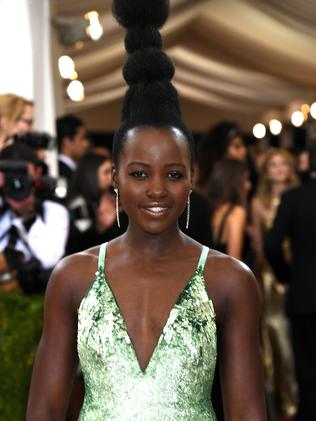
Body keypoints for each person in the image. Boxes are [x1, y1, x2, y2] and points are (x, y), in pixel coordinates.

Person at [27, 1, 266, 419]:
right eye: (139, 174)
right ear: (114, 177)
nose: (157, 190)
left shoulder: (229, 280)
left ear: (192, 178)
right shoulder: (72, 278)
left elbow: (248, 413)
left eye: (173, 175)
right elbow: (43, 411)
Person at [265, 143, 316, 421]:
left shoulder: (294, 198)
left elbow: (272, 245)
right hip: (303, 294)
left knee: (306, 369)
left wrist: (287, 276)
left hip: (304, 295)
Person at [251, 148, 299, 418]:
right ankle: (276, 401)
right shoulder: (258, 202)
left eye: (283, 164)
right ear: (266, 171)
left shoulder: (299, 196)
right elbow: (260, 245)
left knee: (295, 340)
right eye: (273, 165)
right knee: (274, 336)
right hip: (271, 277)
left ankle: (295, 398)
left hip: (298, 272)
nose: (278, 169)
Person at [0, 142, 69, 293]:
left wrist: (28, 216)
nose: (16, 179)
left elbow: (49, 259)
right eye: (9, 172)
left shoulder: (53, 211)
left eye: (23, 171)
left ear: (37, 172)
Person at [206, 158, 251, 260]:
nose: (249, 186)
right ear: (234, 182)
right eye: (245, 180)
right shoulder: (237, 212)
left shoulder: (211, 207)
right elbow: (234, 259)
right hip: (227, 273)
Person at [56, 114, 90, 193]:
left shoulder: (76, 169)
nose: (87, 143)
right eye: (82, 138)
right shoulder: (59, 171)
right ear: (67, 142)